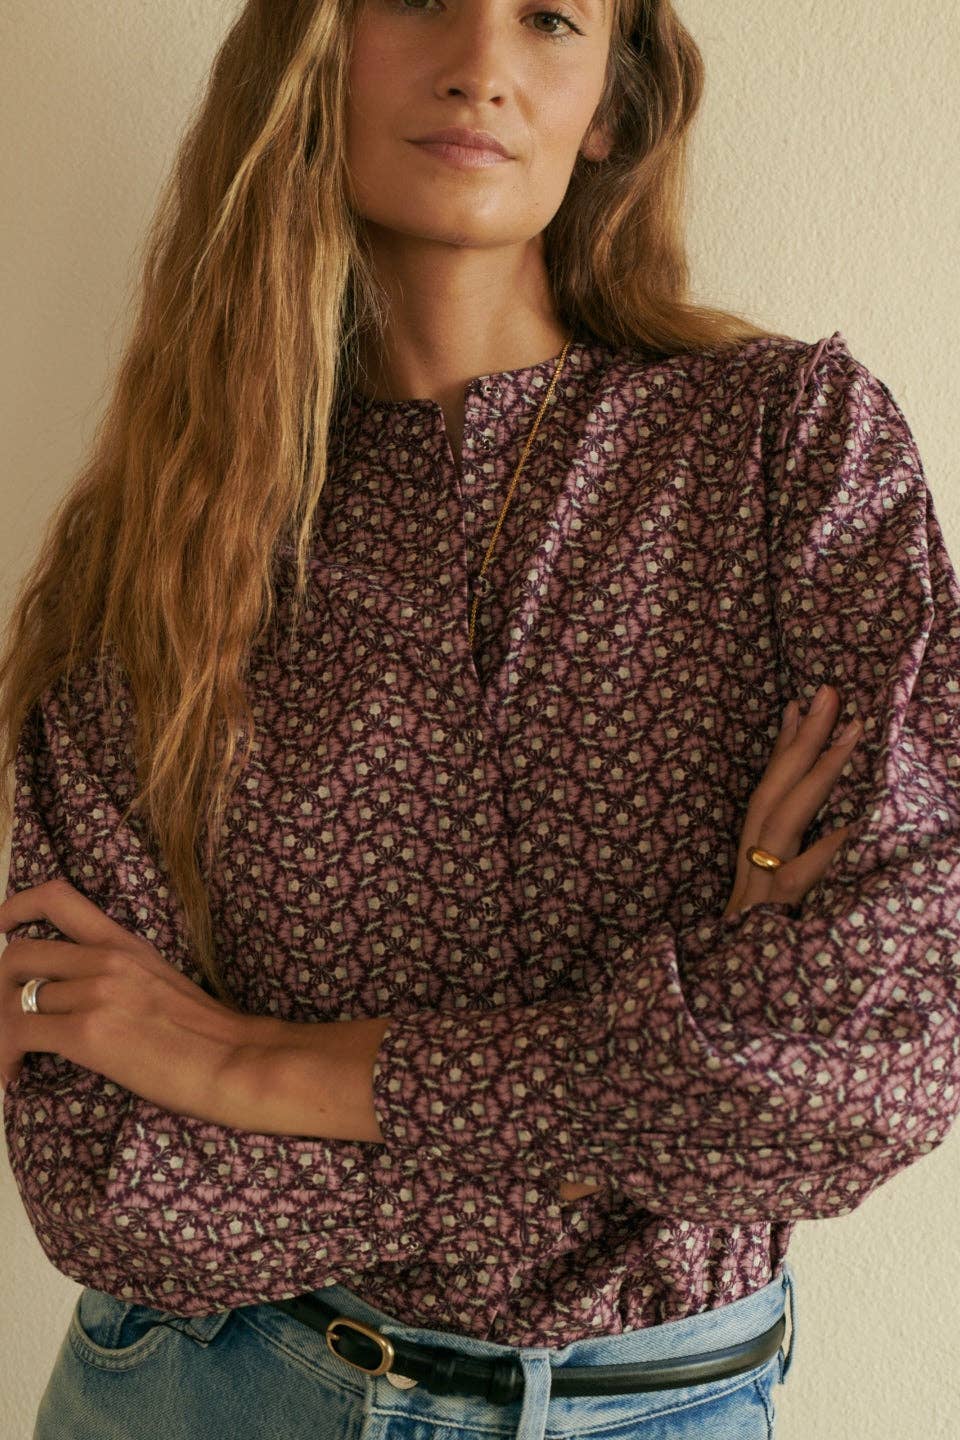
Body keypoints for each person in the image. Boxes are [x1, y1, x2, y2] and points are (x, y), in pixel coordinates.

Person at [1, 2, 958, 1437]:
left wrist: (247, 1065)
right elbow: (109, 1181)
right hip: (220, 1388)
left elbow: (878, 1055)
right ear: (315, 50)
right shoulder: (159, 553)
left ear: (611, 105)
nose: (482, 68)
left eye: (550, 18)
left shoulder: (785, 450)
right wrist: (680, 1072)